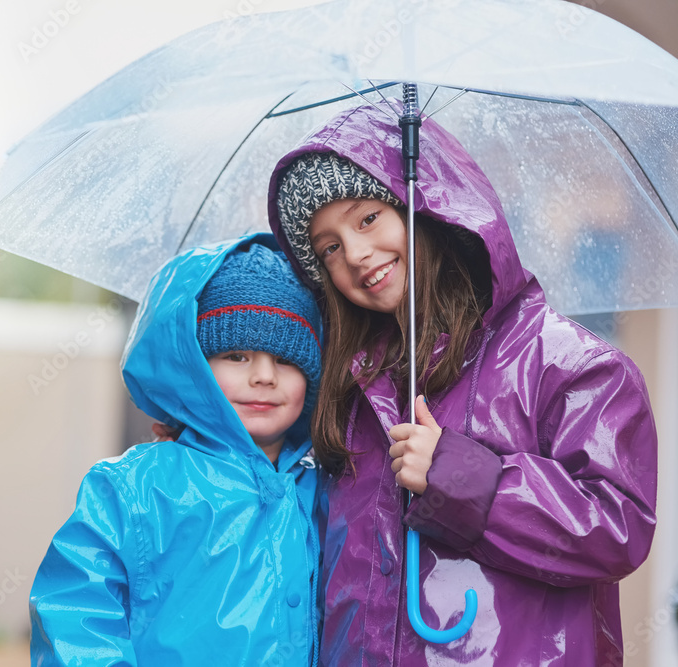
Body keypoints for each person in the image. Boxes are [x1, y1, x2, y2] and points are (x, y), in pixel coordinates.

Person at [267, 103, 658, 666]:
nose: (354, 254)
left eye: (368, 218)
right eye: (328, 248)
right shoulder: (349, 389)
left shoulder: (568, 365)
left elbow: (616, 526)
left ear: (426, 206)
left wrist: (462, 479)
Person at [30, 234, 323, 666]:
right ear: (195, 369)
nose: (264, 376)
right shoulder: (135, 486)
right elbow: (78, 612)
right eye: (237, 355)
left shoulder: (327, 491)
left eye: (286, 359)